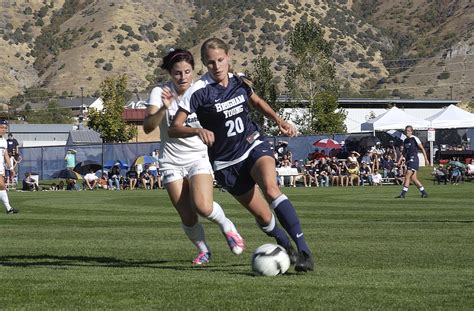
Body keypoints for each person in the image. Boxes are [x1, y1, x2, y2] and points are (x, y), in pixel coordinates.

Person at [169, 38, 313, 272]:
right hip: (226, 164)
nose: (217, 66)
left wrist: (279, 120)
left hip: (252, 144)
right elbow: (174, 127)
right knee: (265, 217)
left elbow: (255, 101)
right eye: (210, 63)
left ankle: (304, 250)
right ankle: (285, 246)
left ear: (228, 57)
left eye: (220, 60)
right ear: (205, 64)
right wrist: (197, 129)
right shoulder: (198, 92)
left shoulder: (239, 81)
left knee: (271, 188)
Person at [143, 48, 244, 265]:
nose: (183, 77)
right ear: (170, 73)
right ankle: (204, 251)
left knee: (203, 206)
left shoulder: (201, 91)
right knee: (187, 216)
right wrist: (163, 108)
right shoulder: (159, 92)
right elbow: (148, 126)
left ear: (193, 71)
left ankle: (228, 227)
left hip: (197, 156)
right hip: (170, 160)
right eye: (178, 73)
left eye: (187, 72)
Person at [395, 125, 429, 198]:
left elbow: (422, 149)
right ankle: (424, 192)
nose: (407, 132)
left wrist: (426, 159)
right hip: (408, 160)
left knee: (407, 175)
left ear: (411, 131)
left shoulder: (414, 139)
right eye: (406, 131)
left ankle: (403, 194)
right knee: (413, 178)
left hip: (413, 159)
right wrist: (399, 161)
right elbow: (404, 152)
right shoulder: (405, 140)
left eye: (408, 131)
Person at [0, 120, 18, 214]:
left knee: (2, 187)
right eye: (1, 127)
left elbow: (6, 155)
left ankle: (8, 209)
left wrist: (11, 168)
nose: (3, 130)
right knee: (2, 186)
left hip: (1, 167)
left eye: (5, 128)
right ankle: (8, 208)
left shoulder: (4, 141)